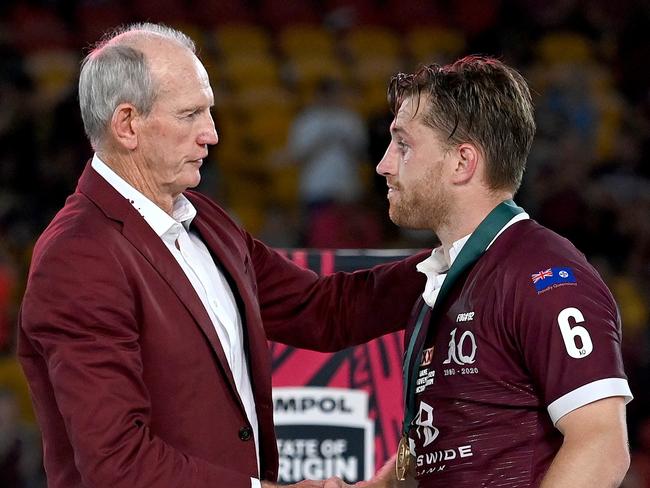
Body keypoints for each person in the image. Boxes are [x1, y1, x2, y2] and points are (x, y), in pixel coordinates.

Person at [17, 23, 427, 488]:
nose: (210, 135)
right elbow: (118, 465)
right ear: (128, 124)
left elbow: (323, 308)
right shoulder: (78, 259)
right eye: (190, 114)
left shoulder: (205, 219)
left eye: (208, 112)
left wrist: (452, 263)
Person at [328, 56, 633, 487]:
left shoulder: (545, 274)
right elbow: (442, 454)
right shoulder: (446, 280)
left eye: (402, 144)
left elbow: (601, 446)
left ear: (462, 163)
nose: (383, 164)